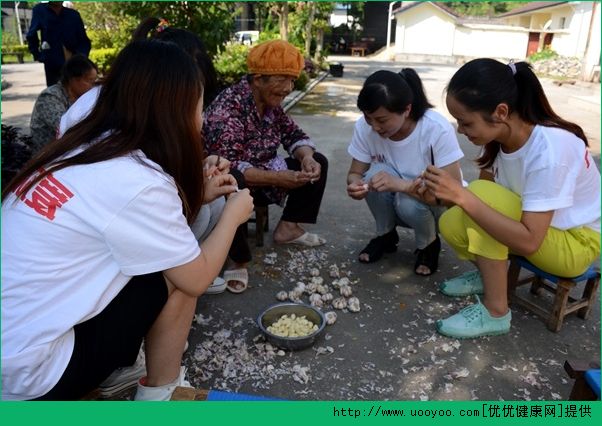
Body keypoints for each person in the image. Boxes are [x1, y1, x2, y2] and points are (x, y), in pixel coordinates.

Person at [1, 39, 254, 401]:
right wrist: (233, 214)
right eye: (199, 106)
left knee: (161, 261)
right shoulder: (139, 179)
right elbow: (196, 277)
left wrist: (198, 193)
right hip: (32, 376)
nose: (202, 120)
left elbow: (127, 218)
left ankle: (118, 369)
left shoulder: (87, 143)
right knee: (176, 276)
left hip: (11, 353)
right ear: (174, 110)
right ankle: (160, 396)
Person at [422, 58, 601, 339]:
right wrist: (440, 194)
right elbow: (478, 212)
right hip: (542, 234)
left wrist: (462, 196)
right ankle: (488, 275)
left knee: (476, 199)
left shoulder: (551, 150)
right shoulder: (500, 142)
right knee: (452, 221)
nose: (459, 130)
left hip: (575, 243)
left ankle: (496, 313)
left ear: (501, 112)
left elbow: (528, 239)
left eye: (465, 122)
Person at [203, 39, 329, 294]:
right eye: (283, 79)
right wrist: (279, 178)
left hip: (266, 170)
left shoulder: (271, 103)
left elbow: (293, 134)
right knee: (230, 182)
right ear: (258, 79)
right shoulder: (230, 107)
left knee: (319, 162)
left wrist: (306, 157)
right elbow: (227, 166)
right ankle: (238, 258)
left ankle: (289, 228)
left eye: (292, 80)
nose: (289, 88)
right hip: (234, 177)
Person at [346, 69, 464, 276]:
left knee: (406, 200)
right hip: (400, 201)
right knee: (375, 174)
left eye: (382, 120)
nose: (374, 127)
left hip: (437, 207)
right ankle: (385, 235)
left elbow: (453, 196)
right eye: (368, 118)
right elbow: (355, 172)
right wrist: (355, 185)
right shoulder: (365, 128)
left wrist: (401, 185)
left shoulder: (436, 129)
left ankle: (429, 244)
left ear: (407, 110)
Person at [30, 54, 97, 155]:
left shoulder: (83, 96)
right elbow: (66, 128)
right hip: (48, 157)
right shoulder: (50, 97)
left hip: (71, 151)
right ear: (73, 79)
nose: (93, 86)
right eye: (90, 81)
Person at [26, 1, 91, 87]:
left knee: (76, 93)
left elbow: (84, 41)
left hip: (73, 63)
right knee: (55, 93)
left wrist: (81, 58)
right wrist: (38, 55)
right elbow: (31, 34)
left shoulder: (73, 15)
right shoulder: (40, 10)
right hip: (52, 62)